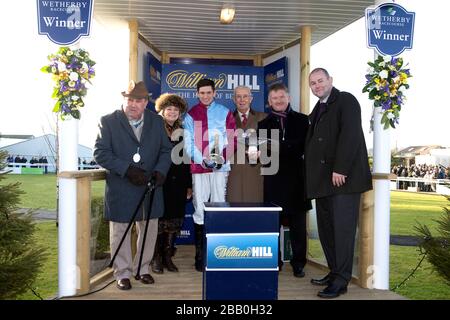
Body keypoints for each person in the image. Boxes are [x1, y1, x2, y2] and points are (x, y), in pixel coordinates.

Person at [94, 81, 172, 290]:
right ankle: (123, 272)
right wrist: (127, 169)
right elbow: (100, 153)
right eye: (129, 99)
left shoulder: (157, 121)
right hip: (122, 185)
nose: (133, 104)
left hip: (150, 186)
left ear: (146, 102)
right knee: (120, 231)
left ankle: (142, 269)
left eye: (138, 100)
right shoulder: (108, 121)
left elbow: (166, 150)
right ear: (124, 100)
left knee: (149, 229)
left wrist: (160, 171)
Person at [305, 68, 372, 298]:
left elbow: (351, 135)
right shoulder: (317, 109)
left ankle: (341, 281)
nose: (317, 86)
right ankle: (334, 272)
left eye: (320, 81)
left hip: (343, 180)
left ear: (330, 80)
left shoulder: (346, 100)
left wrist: (340, 168)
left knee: (342, 232)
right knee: (327, 231)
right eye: (313, 83)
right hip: (323, 183)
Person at [257, 83, 311, 278]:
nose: (278, 101)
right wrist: (258, 153)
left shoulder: (303, 121)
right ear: (269, 102)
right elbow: (265, 155)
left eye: (281, 97)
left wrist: (277, 145)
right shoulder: (263, 124)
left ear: (288, 98)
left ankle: (299, 263)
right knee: (273, 225)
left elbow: (302, 148)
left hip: (298, 181)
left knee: (298, 226)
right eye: (274, 98)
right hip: (274, 181)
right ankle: (275, 261)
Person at [183, 78, 236, 271]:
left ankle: (217, 254)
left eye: (208, 92)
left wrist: (219, 159)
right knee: (199, 207)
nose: (205, 96)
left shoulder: (225, 112)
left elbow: (232, 140)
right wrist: (202, 160)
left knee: (219, 205)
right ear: (197, 94)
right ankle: (200, 256)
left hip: (220, 168)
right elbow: (188, 143)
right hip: (199, 168)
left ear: (215, 93)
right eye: (202, 93)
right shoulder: (190, 115)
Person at [151, 93, 192, 274]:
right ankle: (156, 257)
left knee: (174, 220)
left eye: (176, 109)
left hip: (178, 183)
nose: (172, 112)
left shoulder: (183, 131)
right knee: (158, 221)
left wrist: (189, 185)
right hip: (159, 181)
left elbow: (186, 159)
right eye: (169, 109)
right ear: (162, 110)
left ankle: (168, 256)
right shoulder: (152, 128)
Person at [226, 85, 266, 202]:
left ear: (251, 98)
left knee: (255, 213)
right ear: (234, 99)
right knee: (234, 212)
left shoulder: (263, 118)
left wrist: (261, 153)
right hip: (234, 173)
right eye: (238, 97)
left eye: (245, 96)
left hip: (255, 173)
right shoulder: (226, 119)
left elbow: (271, 145)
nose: (242, 100)